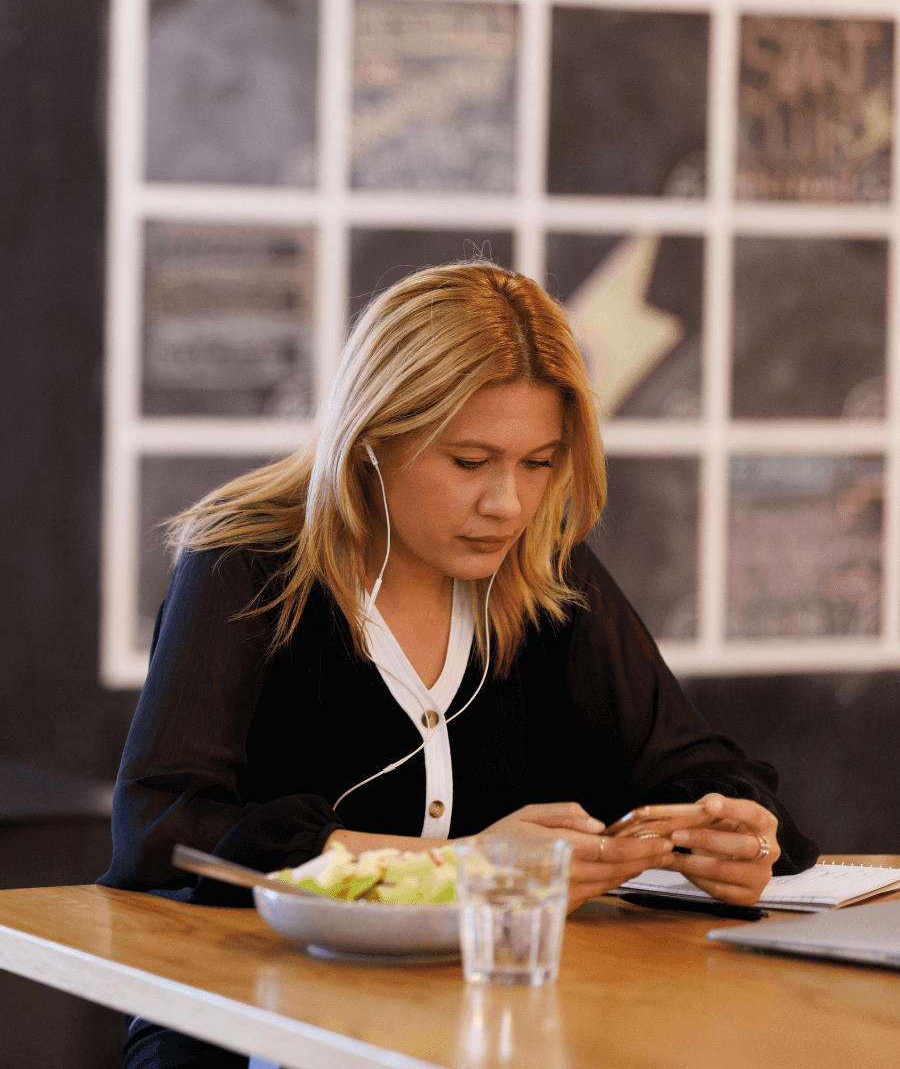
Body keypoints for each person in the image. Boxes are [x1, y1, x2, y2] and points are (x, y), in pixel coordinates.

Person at [99, 261, 818, 1069]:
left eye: (538, 463)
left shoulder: (550, 577)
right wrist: (464, 866)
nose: (508, 505)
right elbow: (165, 833)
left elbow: (690, 766)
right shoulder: (244, 568)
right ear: (371, 440)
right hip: (251, 1029)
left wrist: (736, 833)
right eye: (470, 463)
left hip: (492, 1032)